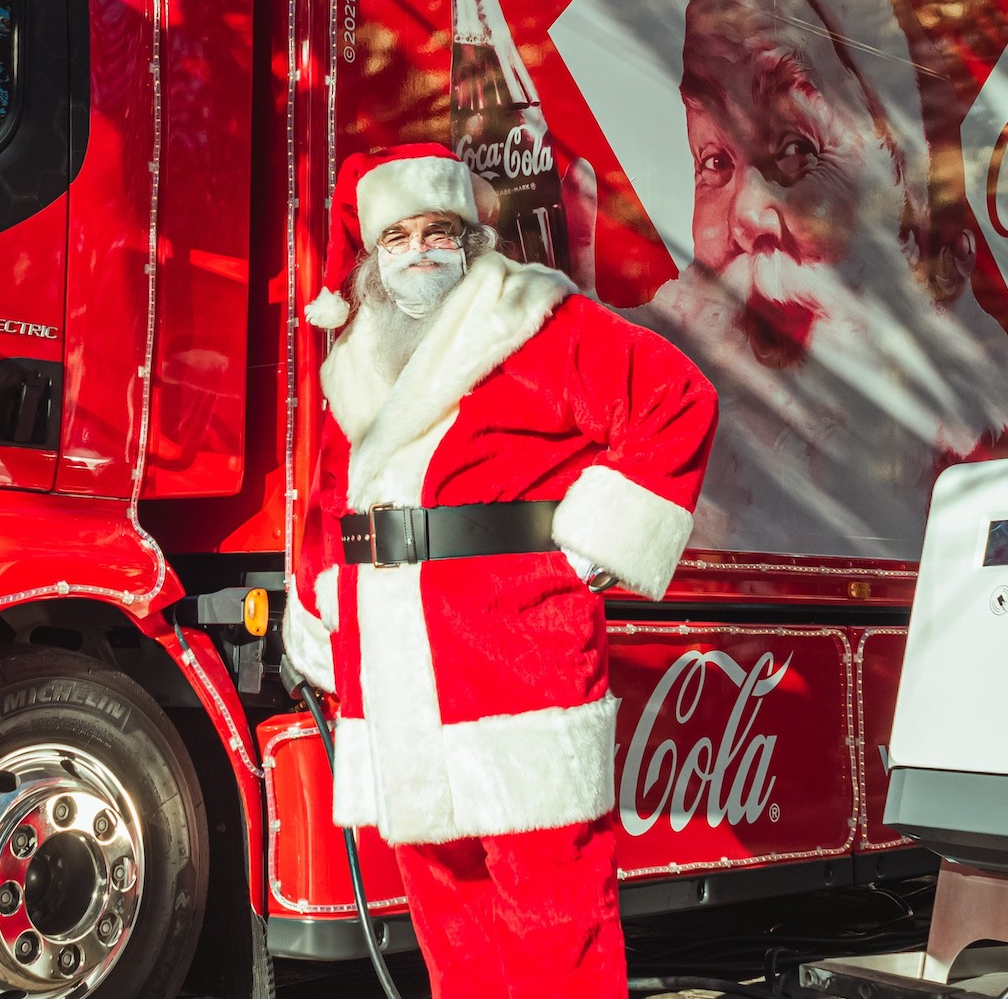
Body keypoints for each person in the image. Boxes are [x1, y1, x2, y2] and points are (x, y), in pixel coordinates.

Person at [283, 144, 716, 999]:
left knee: (555, 919)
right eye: (398, 236)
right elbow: (331, 498)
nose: (419, 252)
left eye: (437, 231)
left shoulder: (533, 317)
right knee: (451, 921)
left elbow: (676, 399)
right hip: (396, 675)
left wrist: (593, 542)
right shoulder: (357, 358)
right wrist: (319, 601)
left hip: (517, 660)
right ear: (373, 255)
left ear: (471, 238)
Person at [640, 0, 1008, 558]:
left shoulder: (984, 483)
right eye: (713, 160)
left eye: (797, 149)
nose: (748, 215)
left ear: (903, 180)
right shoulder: (671, 373)